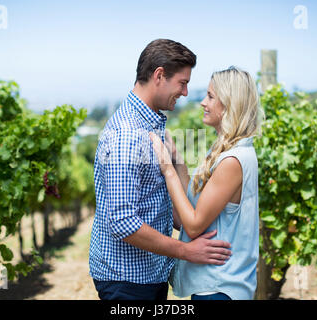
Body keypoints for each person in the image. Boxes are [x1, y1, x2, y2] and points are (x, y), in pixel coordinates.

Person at [89, 39, 233, 301]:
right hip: (128, 281)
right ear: (159, 76)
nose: (186, 93)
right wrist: (186, 251)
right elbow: (123, 222)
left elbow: (155, 200)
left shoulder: (151, 125)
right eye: (183, 83)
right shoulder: (128, 135)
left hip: (146, 274)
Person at [150, 66, 263, 300]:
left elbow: (192, 225)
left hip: (219, 288)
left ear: (229, 104)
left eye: (211, 96)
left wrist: (168, 170)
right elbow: (196, 203)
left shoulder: (233, 160)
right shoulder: (227, 150)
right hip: (216, 286)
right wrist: (177, 159)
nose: (202, 102)